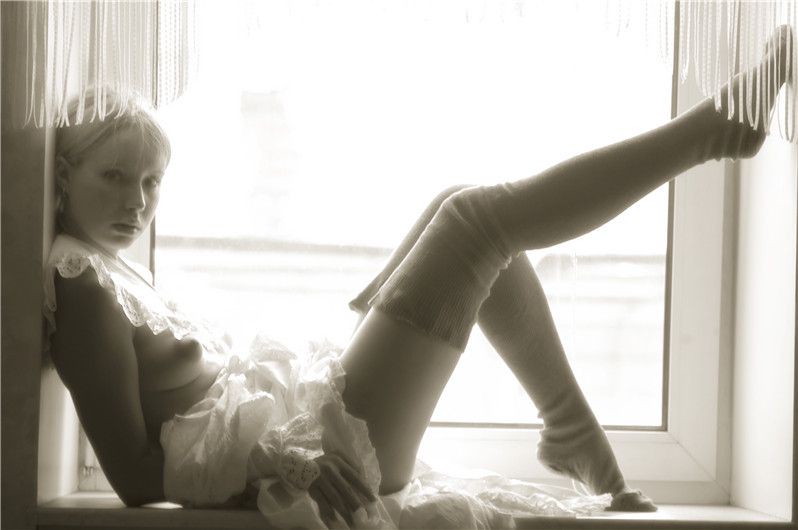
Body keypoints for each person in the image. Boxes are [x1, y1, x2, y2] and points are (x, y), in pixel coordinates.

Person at [43, 26, 792, 528]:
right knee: (473, 222)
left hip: (309, 419)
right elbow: (133, 476)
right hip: (323, 455)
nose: (136, 202)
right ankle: (709, 133)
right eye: (114, 177)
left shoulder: (111, 266)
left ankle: (570, 432)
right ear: (65, 174)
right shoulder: (78, 283)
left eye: (151, 182)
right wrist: (284, 459)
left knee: (455, 207)